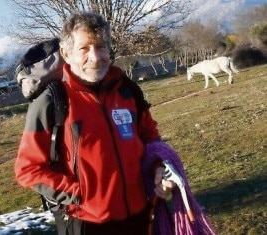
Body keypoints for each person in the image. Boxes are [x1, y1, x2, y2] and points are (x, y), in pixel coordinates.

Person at [15, 12, 176, 235]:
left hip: (141, 216)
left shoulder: (127, 90)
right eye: (84, 48)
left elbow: (150, 139)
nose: (95, 57)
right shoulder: (52, 102)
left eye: (101, 46)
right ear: (66, 53)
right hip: (88, 223)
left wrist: (159, 168)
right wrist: (79, 193)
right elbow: (28, 169)